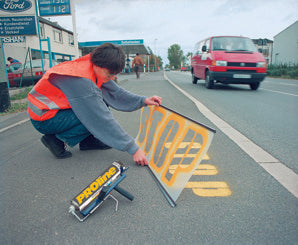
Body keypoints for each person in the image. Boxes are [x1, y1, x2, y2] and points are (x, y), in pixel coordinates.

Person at [28, 43, 162, 166]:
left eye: (114, 75)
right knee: (95, 111)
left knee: (100, 103)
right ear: (98, 65)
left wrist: (143, 101)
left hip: (52, 112)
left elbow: (116, 93)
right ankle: (56, 140)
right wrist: (133, 148)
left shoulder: (93, 65)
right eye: (109, 74)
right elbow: (101, 118)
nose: (111, 78)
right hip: (44, 118)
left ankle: (88, 142)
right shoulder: (82, 80)